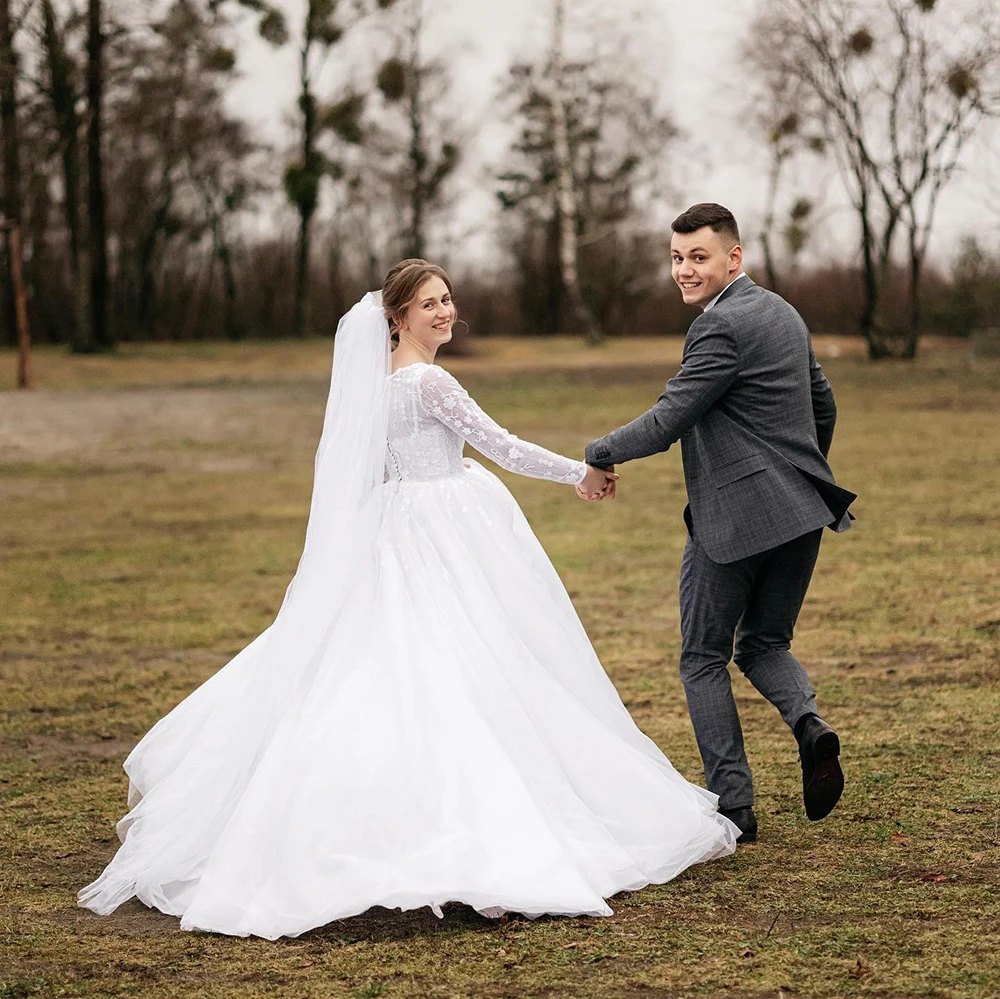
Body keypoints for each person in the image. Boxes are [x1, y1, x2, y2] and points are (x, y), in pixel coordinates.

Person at [78, 259, 738, 940]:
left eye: (448, 299)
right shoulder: (428, 381)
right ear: (396, 317)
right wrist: (583, 472)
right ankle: (483, 846)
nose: (445, 312)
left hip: (398, 527)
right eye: (429, 304)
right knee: (464, 671)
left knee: (388, 674)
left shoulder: (379, 385)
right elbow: (501, 445)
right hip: (441, 535)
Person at [585, 205, 856, 845]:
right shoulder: (784, 313)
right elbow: (824, 404)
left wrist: (598, 452)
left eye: (698, 257)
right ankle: (810, 726)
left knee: (702, 657)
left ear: (734, 257)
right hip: (804, 511)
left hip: (733, 522)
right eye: (677, 258)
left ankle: (734, 806)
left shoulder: (720, 329)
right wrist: (796, 471)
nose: (684, 270)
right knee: (765, 643)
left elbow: (667, 419)